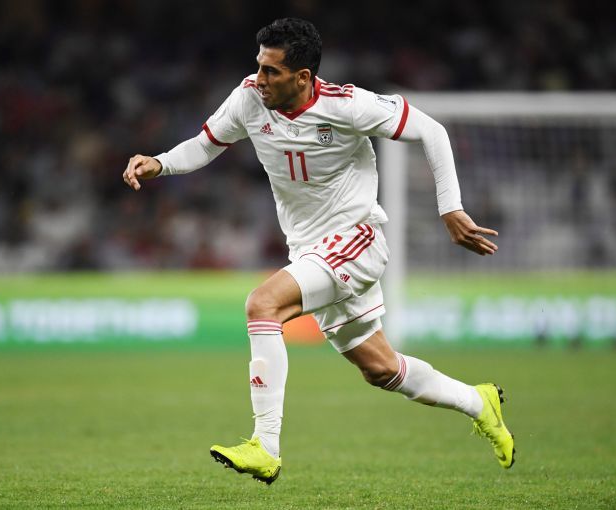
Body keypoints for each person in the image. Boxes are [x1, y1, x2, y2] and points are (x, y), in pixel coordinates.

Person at [123, 18, 514, 484]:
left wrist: (450, 207)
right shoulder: (249, 98)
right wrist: (159, 163)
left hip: (356, 238)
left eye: (271, 71)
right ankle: (478, 402)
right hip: (310, 251)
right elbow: (205, 146)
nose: (259, 78)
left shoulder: (347, 106)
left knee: (262, 304)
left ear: (303, 77)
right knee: (380, 369)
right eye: (259, 66)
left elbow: (432, 130)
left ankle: (265, 446)